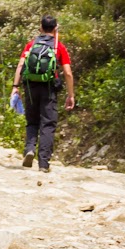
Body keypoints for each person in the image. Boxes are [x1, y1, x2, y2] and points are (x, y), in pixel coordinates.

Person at [11, 15, 75, 172]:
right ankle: (44, 164)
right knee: (48, 123)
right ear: (55, 28)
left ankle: (29, 149)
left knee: (32, 121)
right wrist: (71, 94)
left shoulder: (31, 45)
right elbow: (67, 72)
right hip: (49, 88)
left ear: (40, 27)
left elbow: (20, 65)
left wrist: (15, 86)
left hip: (30, 87)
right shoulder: (58, 47)